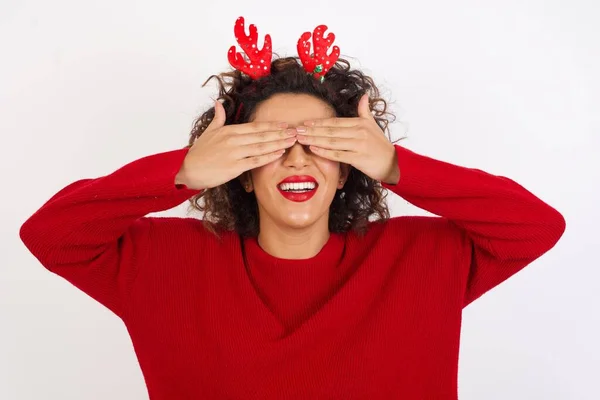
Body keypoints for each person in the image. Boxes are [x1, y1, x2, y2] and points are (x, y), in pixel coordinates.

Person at [19, 16, 565, 400]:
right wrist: (181, 171)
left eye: (322, 145)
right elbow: (50, 235)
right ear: (242, 172)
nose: (297, 160)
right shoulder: (159, 264)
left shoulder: (424, 256)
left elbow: (537, 226)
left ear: (349, 167)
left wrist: (398, 165)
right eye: (270, 146)